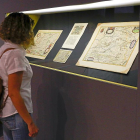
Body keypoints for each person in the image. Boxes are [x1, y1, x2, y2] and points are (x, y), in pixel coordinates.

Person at [0, 12, 39, 140]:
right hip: (16, 113)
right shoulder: (15, 54)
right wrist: (30, 122)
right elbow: (14, 92)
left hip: (6, 111)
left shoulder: (5, 49)